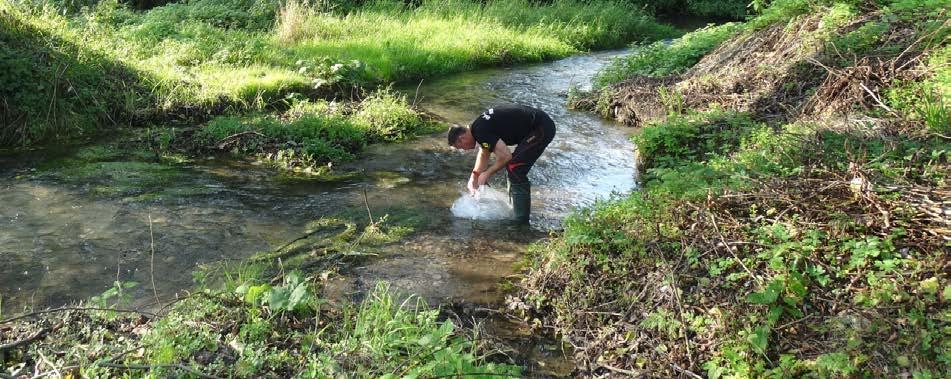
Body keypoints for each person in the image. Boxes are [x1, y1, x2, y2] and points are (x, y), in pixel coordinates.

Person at [447, 104, 556, 223]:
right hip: (539, 126)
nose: (464, 149)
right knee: (513, 167)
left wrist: (487, 174)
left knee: (514, 167)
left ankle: (520, 220)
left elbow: (506, 156)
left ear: (461, 139)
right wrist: (475, 176)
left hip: (541, 128)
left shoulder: (480, 131)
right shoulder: (477, 128)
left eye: (460, 147)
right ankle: (515, 208)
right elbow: (484, 153)